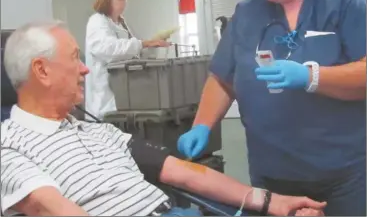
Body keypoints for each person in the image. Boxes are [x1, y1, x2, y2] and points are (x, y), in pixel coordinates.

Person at [0, 21, 326, 216]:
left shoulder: (98, 132)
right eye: (75, 59)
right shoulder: (10, 148)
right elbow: (49, 208)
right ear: (41, 70)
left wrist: (273, 203)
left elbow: (183, 173)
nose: (85, 69)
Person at [177, 0, 366, 216]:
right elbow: (223, 77)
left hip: (339, 173)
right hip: (271, 175)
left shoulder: (344, 4)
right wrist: (202, 124)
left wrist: (311, 75)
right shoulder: (248, 13)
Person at [85, 0, 170, 119]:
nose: (124, 3)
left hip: (124, 98)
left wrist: (154, 45)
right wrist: (143, 43)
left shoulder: (121, 22)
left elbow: (134, 53)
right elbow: (108, 49)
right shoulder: (97, 21)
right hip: (104, 103)